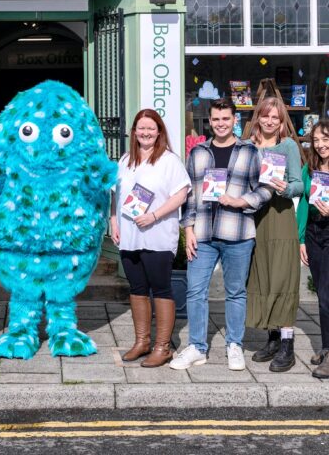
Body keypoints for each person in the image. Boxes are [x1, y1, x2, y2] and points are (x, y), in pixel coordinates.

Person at [170, 98, 272, 371]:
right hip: (203, 233)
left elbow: (266, 189)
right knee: (195, 290)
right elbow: (189, 196)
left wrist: (242, 201)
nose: (221, 124)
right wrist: (188, 231)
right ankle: (197, 347)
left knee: (236, 292)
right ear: (210, 120)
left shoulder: (250, 151)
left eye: (226, 119)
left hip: (238, 232)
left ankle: (234, 345)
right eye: (216, 119)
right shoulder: (198, 152)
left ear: (234, 120)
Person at [110, 109, 191, 367]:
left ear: (159, 132)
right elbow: (115, 195)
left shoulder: (169, 161)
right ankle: (142, 341)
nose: (145, 133)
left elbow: (181, 194)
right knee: (137, 288)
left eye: (151, 128)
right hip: (130, 236)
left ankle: (163, 347)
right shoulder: (125, 161)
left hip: (156, 235)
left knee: (161, 288)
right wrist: (113, 220)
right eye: (141, 128)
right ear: (134, 132)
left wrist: (155, 215)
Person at [246, 97, 303, 372]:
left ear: (281, 122)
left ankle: (287, 346)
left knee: (282, 278)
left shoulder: (288, 145)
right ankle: (271, 338)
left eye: (275, 118)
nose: (269, 121)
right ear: (258, 118)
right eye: (265, 116)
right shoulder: (250, 145)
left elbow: (299, 184)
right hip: (255, 219)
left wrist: (284, 188)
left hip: (280, 217)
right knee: (263, 276)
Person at [297, 121, 329, 378]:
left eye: (325, 139)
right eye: (316, 140)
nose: (320, 145)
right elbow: (305, 204)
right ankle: (326, 346)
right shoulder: (312, 167)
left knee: (328, 297)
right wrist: (301, 239)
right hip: (314, 234)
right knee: (322, 295)